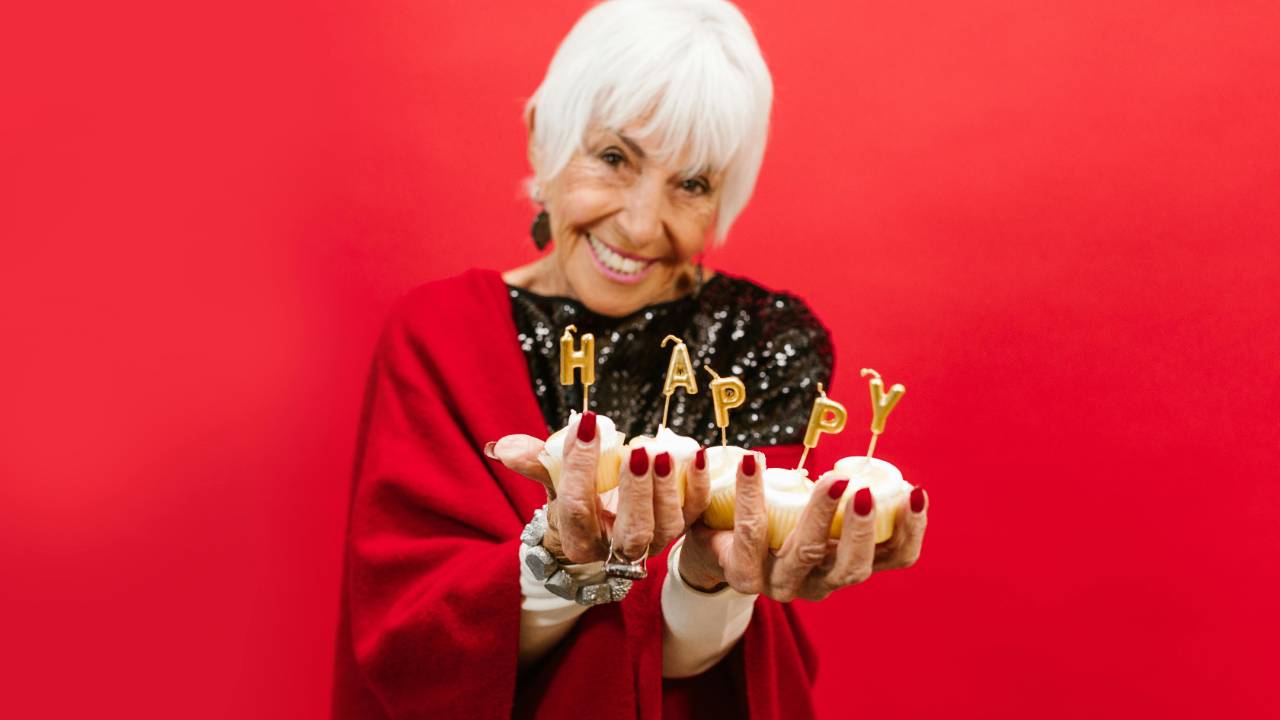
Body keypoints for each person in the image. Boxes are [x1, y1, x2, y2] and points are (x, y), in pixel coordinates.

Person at [330, 1, 929, 718]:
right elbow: (410, 645)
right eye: (614, 158)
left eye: (693, 183)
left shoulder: (764, 342)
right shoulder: (437, 334)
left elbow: (718, 651)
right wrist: (556, 562)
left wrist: (708, 577)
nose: (642, 225)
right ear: (542, 137)